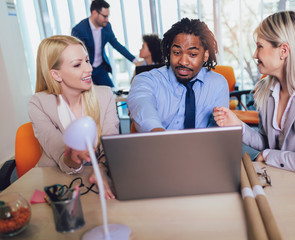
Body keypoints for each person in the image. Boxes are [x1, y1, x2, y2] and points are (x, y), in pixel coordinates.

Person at [213, 11, 295, 180]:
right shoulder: (265, 90)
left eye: (260, 46)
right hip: (288, 181)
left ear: (283, 50)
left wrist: (268, 156)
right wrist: (238, 125)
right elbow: (269, 143)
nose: (254, 54)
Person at [28, 35, 119, 199]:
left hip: (97, 180)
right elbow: (59, 154)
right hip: (55, 183)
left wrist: (103, 169)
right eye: (77, 64)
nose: (89, 69)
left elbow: (110, 144)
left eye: (87, 61)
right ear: (56, 75)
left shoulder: (105, 95)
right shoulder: (39, 103)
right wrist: (71, 156)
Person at [127, 18, 229, 132]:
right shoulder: (146, 80)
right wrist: (159, 136)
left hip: (202, 148)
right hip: (159, 146)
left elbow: (219, 130)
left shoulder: (218, 83)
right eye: (176, 52)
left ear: (205, 55)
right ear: (169, 52)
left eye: (192, 54)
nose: (183, 62)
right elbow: (143, 107)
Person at [71, 0, 137, 88]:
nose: (107, 20)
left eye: (108, 16)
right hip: (86, 69)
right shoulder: (79, 30)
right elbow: (78, 54)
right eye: (105, 16)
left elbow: (116, 45)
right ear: (94, 13)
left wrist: (134, 60)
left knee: (111, 93)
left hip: (101, 69)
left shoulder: (107, 27)